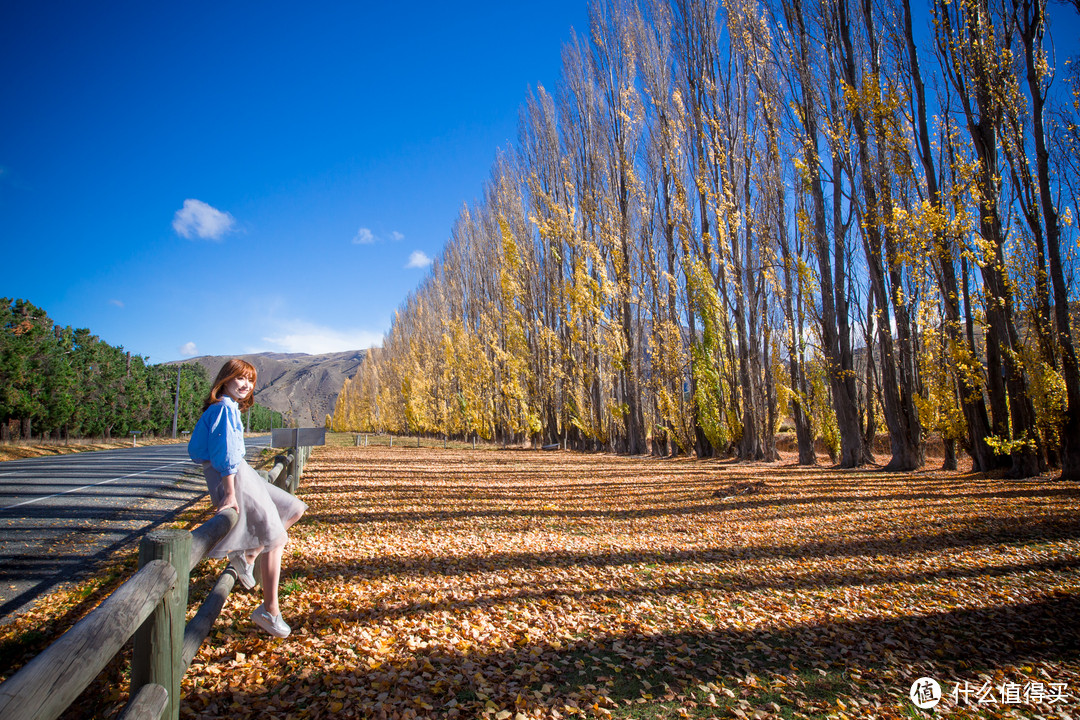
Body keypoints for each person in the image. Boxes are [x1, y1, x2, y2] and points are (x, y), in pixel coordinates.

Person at [188, 358, 307, 638]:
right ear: (225, 380)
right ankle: (270, 610)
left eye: (251, 380)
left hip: (242, 471)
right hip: (232, 475)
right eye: (240, 378)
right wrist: (229, 492)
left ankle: (248, 555)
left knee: (293, 508)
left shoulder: (230, 409)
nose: (246, 385)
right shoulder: (223, 409)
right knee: (276, 538)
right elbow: (224, 455)